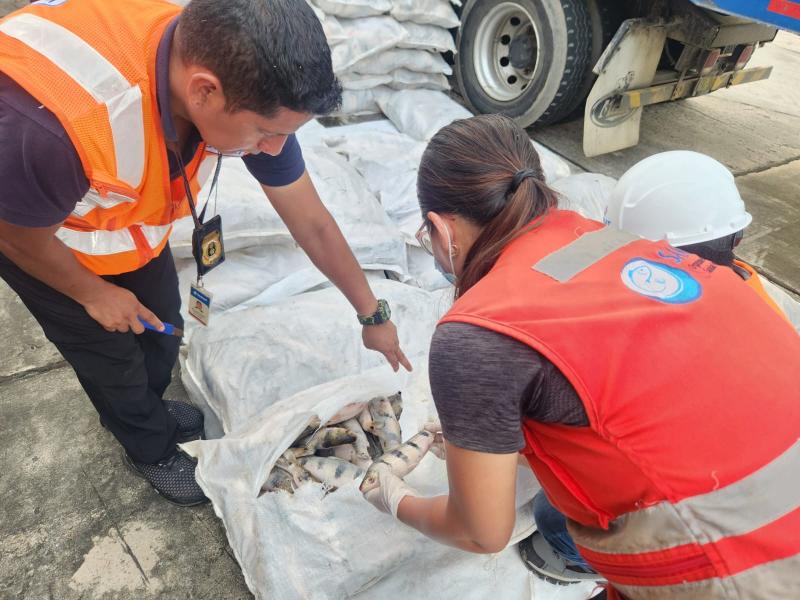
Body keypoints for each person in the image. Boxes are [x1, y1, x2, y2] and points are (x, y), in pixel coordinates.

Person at [361, 114, 800, 599]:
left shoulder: (474, 334)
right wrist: (503, 441)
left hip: (752, 565)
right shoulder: (615, 239)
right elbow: (628, 391)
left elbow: (479, 531)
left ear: (441, 231)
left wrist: (395, 498)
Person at [0, 0, 410, 507]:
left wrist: (372, 313)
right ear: (204, 92)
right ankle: (146, 446)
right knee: (109, 358)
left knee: (161, 325)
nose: (276, 149)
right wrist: (93, 293)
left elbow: (312, 221)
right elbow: (15, 237)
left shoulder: (234, 70)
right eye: (266, 132)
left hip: (122, 225)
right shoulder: (51, 133)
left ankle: (147, 405)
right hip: (42, 238)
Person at [521, 149, 800, 585]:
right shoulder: (762, 299)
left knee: (554, 513)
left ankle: (576, 559)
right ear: (737, 239)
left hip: (721, 527)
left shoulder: (665, 340)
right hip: (770, 499)